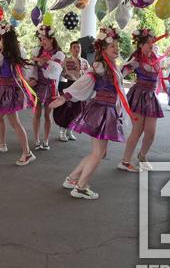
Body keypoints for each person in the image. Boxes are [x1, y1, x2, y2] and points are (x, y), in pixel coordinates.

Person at [49, 26, 134, 200]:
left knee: (99, 152)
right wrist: (65, 96)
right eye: (112, 46)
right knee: (98, 153)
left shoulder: (111, 66)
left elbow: (119, 78)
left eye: (117, 46)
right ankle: (80, 187)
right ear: (103, 49)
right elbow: (85, 80)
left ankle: (73, 178)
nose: (116, 49)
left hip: (105, 110)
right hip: (102, 111)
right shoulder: (100, 66)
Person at [118, 29, 170, 172]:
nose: (151, 45)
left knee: (151, 133)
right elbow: (119, 74)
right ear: (141, 45)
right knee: (137, 130)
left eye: (152, 43)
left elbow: (159, 72)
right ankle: (125, 162)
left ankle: (142, 156)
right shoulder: (136, 60)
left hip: (151, 97)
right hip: (138, 96)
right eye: (148, 43)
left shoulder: (154, 57)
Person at [0, 21, 36, 166]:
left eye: (0, 38)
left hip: (8, 90)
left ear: (4, 40)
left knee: (15, 123)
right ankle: (2, 143)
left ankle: (27, 153)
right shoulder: (13, 53)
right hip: (7, 88)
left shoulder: (2, 56)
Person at [30, 25, 65, 151]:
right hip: (38, 86)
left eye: (44, 39)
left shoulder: (59, 54)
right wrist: (32, 78)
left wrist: (41, 61)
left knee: (47, 115)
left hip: (51, 87)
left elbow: (54, 71)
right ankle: (36, 140)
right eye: (41, 39)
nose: (42, 42)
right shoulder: (37, 51)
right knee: (37, 114)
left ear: (51, 39)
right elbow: (33, 68)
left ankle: (46, 140)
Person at [54, 41, 90, 142]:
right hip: (70, 85)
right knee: (67, 109)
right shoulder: (66, 61)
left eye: (78, 47)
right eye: (74, 47)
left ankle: (70, 130)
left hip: (81, 87)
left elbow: (89, 74)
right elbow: (58, 73)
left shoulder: (85, 62)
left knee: (78, 110)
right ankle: (62, 131)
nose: (77, 49)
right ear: (70, 49)